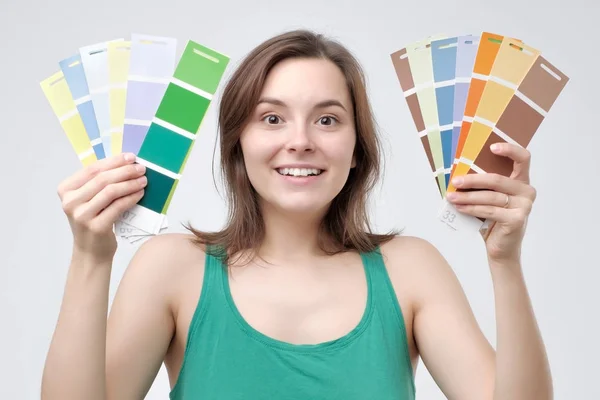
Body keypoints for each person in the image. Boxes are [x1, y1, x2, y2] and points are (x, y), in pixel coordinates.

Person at [41, 29, 551, 400]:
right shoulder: (171, 268)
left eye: (327, 119)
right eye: (272, 118)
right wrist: (90, 257)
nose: (301, 141)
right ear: (238, 144)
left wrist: (505, 262)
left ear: (356, 149)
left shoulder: (411, 269)